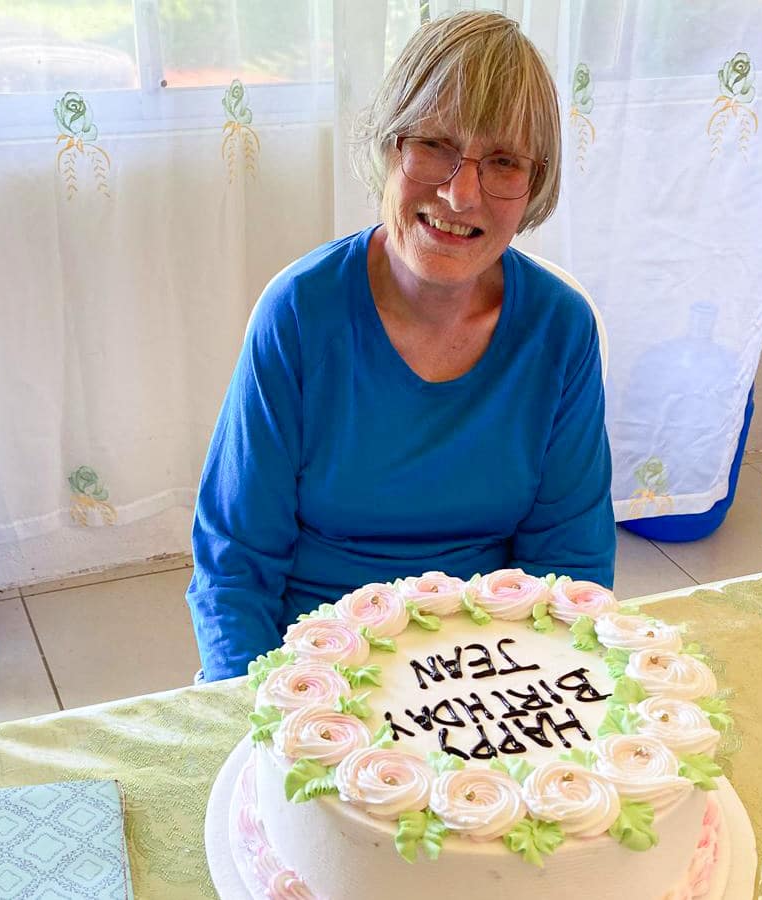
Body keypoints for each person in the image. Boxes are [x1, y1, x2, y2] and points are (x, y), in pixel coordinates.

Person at [186, 11, 615, 681]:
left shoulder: (561, 331)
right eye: (435, 144)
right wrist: (258, 717)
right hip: (316, 667)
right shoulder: (298, 314)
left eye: (501, 160)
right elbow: (234, 569)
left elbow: (571, 568)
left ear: (534, 184)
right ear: (389, 146)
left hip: (492, 673)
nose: (459, 192)